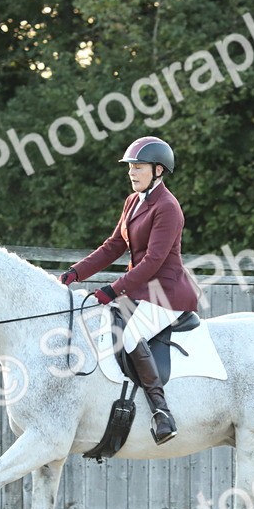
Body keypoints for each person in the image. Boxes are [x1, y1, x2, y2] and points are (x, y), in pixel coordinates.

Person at [59, 136, 200, 445]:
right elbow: (113, 246)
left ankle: (161, 412)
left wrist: (112, 290)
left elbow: (153, 261)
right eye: (130, 167)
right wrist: (75, 273)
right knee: (100, 322)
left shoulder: (168, 207)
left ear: (158, 170)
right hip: (141, 290)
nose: (131, 173)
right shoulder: (133, 201)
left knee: (132, 336)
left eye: (138, 167)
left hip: (167, 293)